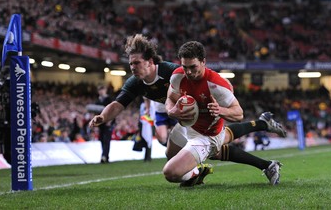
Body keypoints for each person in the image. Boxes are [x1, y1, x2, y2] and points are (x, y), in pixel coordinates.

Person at [89, 34, 285, 184]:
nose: (132, 67)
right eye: (130, 63)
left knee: (201, 155)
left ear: (150, 62)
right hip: (184, 122)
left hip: (205, 121)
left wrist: (220, 107)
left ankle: (262, 157)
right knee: (172, 153)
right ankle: (261, 127)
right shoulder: (149, 80)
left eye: (136, 63)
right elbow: (120, 103)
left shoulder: (173, 71)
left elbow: (225, 94)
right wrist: (102, 117)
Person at [163, 41, 283, 186]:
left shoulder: (216, 85)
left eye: (193, 67)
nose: (188, 72)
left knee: (171, 172)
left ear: (203, 62)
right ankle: (263, 126)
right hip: (187, 127)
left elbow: (239, 114)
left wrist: (221, 110)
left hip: (206, 136)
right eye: (185, 67)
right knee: (170, 156)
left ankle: (196, 173)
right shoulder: (178, 75)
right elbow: (170, 97)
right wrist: (171, 110)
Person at [96, 85, 114, 163]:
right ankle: (105, 156)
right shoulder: (98, 100)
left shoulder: (109, 99)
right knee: (101, 139)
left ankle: (104, 156)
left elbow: (113, 110)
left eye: (102, 89)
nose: (101, 91)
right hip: (101, 123)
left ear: (105, 90)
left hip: (108, 122)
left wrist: (110, 121)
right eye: (99, 90)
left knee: (107, 139)